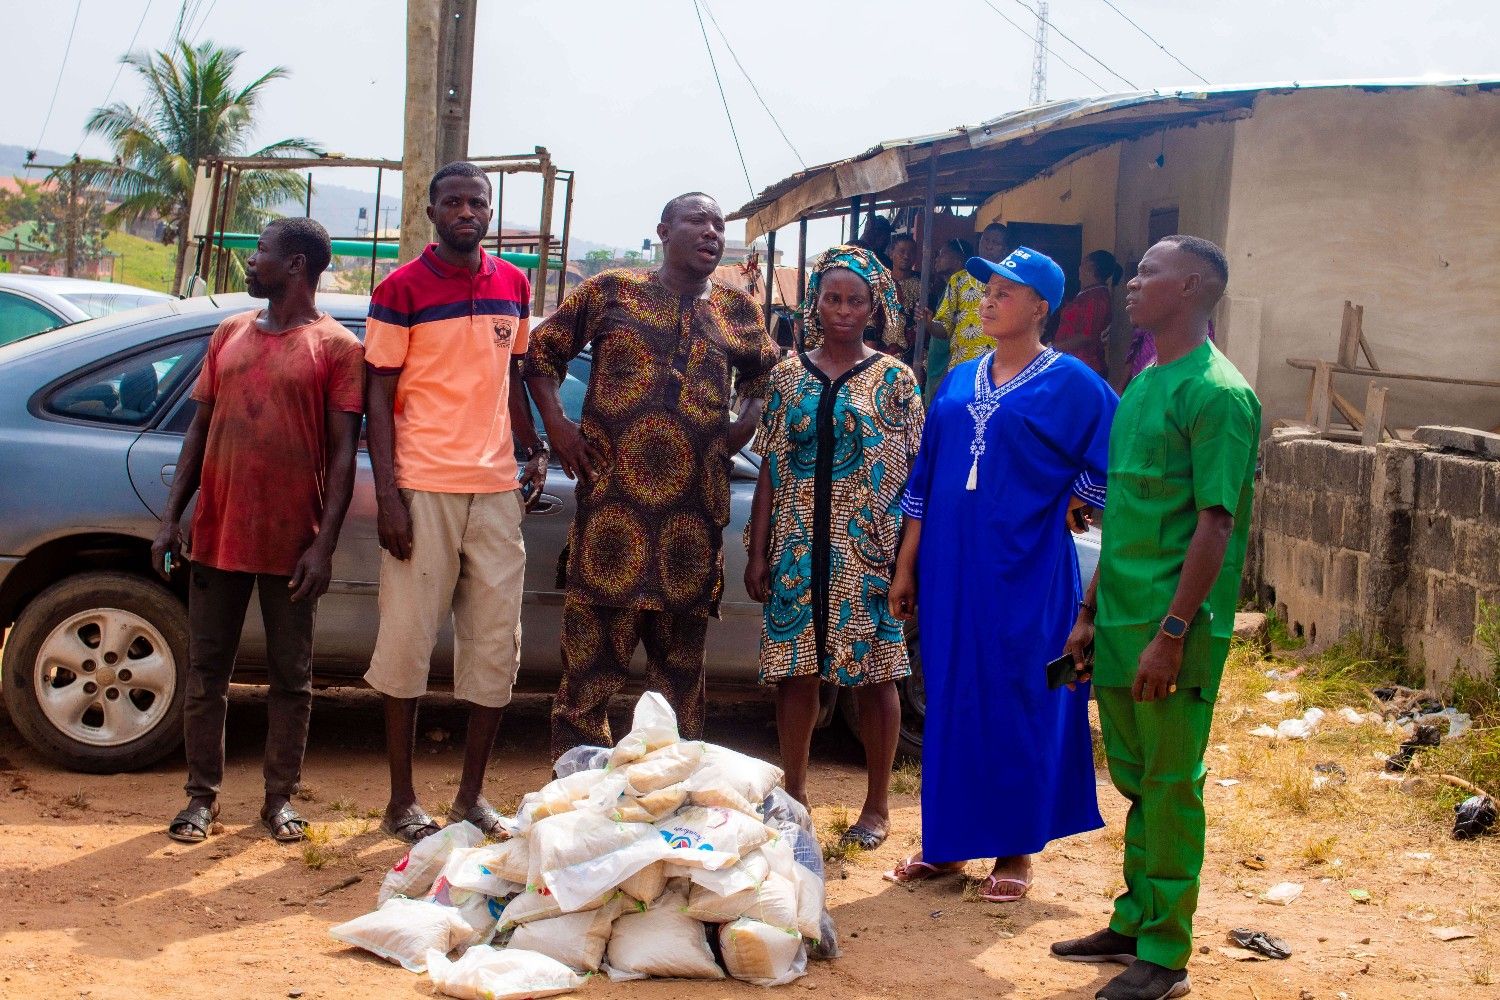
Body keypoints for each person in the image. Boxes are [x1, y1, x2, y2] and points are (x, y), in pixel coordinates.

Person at [1051, 236, 1259, 1000]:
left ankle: (1165, 954)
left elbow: (1215, 523)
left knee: (1171, 784)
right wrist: (1088, 611)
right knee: (1137, 780)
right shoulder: (1143, 382)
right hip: (1119, 619)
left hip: (1176, 629)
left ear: (1194, 287)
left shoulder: (1219, 394)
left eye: (1148, 274)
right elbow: (1128, 512)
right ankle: (1135, 919)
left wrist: (1171, 635)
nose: (1132, 284)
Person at [886, 246, 1117, 902]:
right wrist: (907, 567)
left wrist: (1074, 498)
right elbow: (924, 485)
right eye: (986, 290)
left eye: (1005, 292)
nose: (986, 301)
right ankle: (946, 844)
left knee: (1029, 694)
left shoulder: (1071, 382)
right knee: (955, 699)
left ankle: (1016, 849)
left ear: (1041, 308)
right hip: (952, 572)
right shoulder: (959, 378)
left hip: (1031, 573)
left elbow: (1117, 457)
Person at [526, 192, 780, 761]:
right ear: (663, 230)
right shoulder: (610, 290)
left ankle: (667, 808)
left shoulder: (738, 313)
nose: (711, 232)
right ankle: (579, 807)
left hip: (690, 532)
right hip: (610, 527)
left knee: (680, 692)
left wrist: (743, 424)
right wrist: (558, 426)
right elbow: (541, 354)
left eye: (718, 224)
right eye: (697, 220)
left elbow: (768, 377)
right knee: (586, 685)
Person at [153, 218, 363, 844]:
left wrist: (324, 545)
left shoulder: (336, 348)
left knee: (291, 678)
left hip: (292, 543)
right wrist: (171, 517)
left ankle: (280, 800)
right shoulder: (229, 333)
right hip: (218, 534)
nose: (251, 259)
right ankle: (200, 798)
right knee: (207, 674)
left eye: (262, 251)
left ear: (297, 265)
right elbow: (198, 431)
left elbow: (345, 453)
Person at [363, 161, 548, 843]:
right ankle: (402, 801)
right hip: (423, 485)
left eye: (478, 202)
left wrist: (532, 447)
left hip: (496, 489)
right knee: (407, 644)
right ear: (432, 212)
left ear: (490, 211)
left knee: (496, 647)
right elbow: (378, 395)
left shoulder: (515, 284)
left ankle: (471, 797)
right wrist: (388, 496)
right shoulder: (400, 288)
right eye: (453, 202)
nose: (466, 212)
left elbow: (516, 376)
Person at [745, 245, 924, 852]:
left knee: (876, 677)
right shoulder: (787, 376)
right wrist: (758, 549)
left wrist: (906, 563)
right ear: (815, 302)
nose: (843, 310)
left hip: (868, 552)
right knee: (796, 674)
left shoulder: (896, 381)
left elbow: (915, 480)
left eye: (855, 300)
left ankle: (876, 806)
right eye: (832, 298)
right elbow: (771, 463)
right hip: (798, 544)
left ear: (875, 307)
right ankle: (795, 798)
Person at [918, 222, 1009, 376]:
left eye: (996, 243)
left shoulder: (1011, 284)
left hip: (997, 369)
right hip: (961, 369)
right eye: (986, 240)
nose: (989, 246)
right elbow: (945, 328)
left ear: (1005, 250)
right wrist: (929, 324)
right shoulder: (959, 280)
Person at [1053, 249, 1121, 376]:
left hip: (1085, 366)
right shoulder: (1089, 293)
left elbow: (1086, 336)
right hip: (1074, 364)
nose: (1079, 268)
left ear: (1089, 267)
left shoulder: (1096, 298)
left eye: (1082, 263)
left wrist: (1053, 348)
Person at [919, 238, 972, 397]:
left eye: (941, 254)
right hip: (936, 367)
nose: (937, 259)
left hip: (947, 370)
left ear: (958, 259)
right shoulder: (946, 289)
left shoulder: (967, 290)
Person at [887, 233, 921, 360]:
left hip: (912, 354)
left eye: (911, 252)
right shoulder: (881, 283)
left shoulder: (923, 287)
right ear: (891, 254)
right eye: (902, 251)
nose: (906, 256)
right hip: (882, 349)